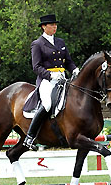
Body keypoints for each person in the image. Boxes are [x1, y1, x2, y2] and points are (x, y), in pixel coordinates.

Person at [23, 14, 80, 151]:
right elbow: (36, 67)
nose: (55, 27)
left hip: (62, 78)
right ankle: (29, 137)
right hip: (46, 80)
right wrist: (50, 75)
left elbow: (68, 61)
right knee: (48, 104)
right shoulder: (37, 44)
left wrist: (75, 69)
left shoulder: (60, 42)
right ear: (44, 27)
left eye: (55, 25)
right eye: (52, 25)